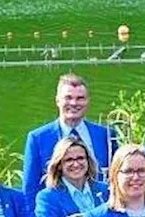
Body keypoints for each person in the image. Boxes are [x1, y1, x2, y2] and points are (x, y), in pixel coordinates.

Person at [23, 73, 117, 205]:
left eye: (80, 98)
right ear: (57, 101)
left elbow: (115, 180)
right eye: (68, 98)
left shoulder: (106, 135)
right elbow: (30, 189)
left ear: (87, 101)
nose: (74, 103)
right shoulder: (38, 139)